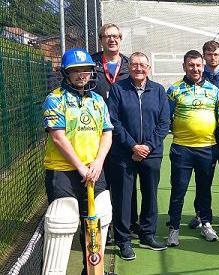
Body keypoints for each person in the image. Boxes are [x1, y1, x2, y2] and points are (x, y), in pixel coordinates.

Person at [41, 48, 112, 275]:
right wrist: (80, 167)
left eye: (86, 70)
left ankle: (92, 272)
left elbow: (107, 133)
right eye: (76, 70)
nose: (82, 74)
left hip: (93, 169)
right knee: (62, 219)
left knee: (100, 216)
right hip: (63, 171)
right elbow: (58, 136)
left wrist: (98, 162)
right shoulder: (55, 98)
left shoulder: (98, 100)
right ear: (66, 73)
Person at [107, 52, 170, 260]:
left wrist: (147, 147)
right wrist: (133, 146)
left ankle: (147, 234)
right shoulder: (118, 89)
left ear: (148, 68)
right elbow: (114, 122)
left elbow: (163, 124)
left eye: (143, 65)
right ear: (129, 67)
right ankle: (123, 240)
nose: (138, 68)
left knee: (150, 194)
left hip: (151, 154)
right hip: (124, 154)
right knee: (123, 197)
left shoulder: (159, 91)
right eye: (134, 65)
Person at [166, 50, 219, 246]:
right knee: (178, 190)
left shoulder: (214, 90)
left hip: (208, 148)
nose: (195, 69)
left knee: (204, 190)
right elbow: (167, 118)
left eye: (198, 65)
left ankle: (205, 223)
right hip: (182, 149)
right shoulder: (174, 90)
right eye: (191, 65)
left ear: (203, 66)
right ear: (184, 67)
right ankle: (174, 228)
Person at [91, 23, 139, 239]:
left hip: (124, 132)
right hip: (97, 132)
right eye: (107, 36)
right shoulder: (91, 63)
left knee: (127, 181)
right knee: (103, 181)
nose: (112, 40)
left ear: (121, 39)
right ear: (101, 39)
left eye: (116, 36)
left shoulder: (131, 65)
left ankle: (129, 224)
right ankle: (105, 226)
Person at [187, 40, 219, 229]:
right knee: (203, 179)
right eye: (209, 54)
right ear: (203, 56)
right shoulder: (197, 76)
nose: (212, 57)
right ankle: (200, 214)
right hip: (205, 139)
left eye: (216, 54)